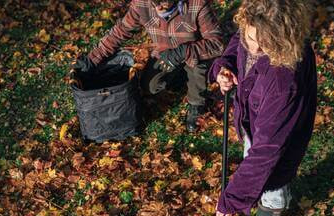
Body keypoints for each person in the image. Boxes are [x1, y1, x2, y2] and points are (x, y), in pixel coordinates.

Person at [210, 0, 317, 216]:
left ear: (281, 38)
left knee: (273, 188)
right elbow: (238, 45)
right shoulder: (253, 31)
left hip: (278, 141)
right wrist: (223, 66)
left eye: (264, 43)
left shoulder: (282, 81)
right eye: (250, 37)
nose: (255, 47)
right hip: (255, 123)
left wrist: (232, 199)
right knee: (254, 160)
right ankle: (253, 196)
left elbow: (267, 150)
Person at [75, 0, 225, 132]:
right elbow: (119, 32)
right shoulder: (141, 4)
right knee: (150, 87)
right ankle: (179, 77)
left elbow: (217, 44)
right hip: (163, 53)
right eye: (155, 2)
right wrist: (93, 59)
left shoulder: (197, 4)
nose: (158, 7)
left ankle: (196, 104)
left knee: (197, 68)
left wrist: (182, 52)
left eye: (163, 2)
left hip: (193, 54)